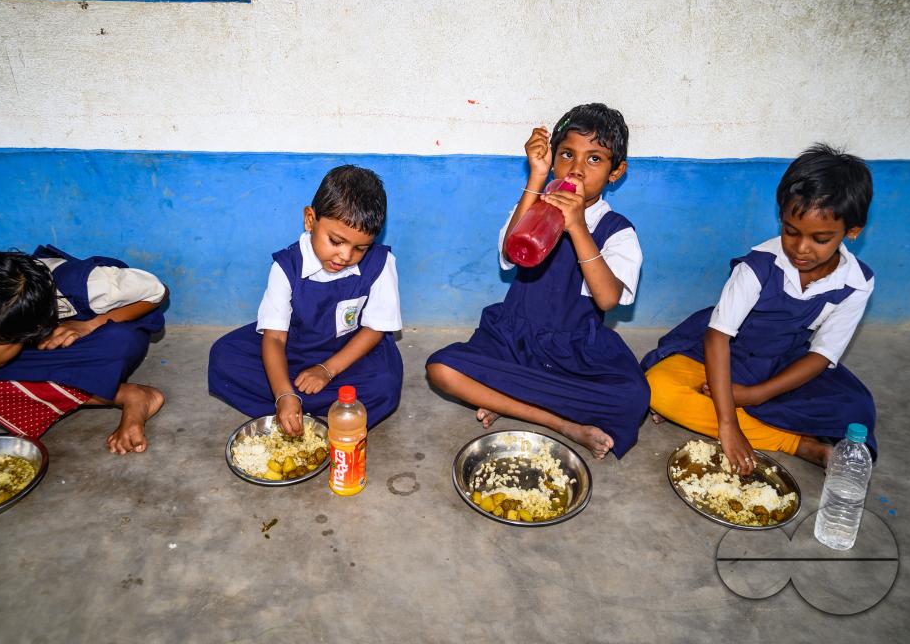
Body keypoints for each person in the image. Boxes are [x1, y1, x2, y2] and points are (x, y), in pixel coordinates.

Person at [426, 103, 649, 459]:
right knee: (441, 369)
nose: (576, 168)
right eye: (566, 155)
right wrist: (536, 177)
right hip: (514, 340)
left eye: (594, 159)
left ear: (615, 172)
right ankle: (562, 423)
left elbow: (607, 299)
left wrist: (577, 226)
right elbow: (511, 253)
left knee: (633, 398)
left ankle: (508, 397)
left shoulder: (617, 231)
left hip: (575, 353)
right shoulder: (535, 206)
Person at [642, 144, 876, 474]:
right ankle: (796, 443)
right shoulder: (757, 267)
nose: (801, 248)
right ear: (781, 218)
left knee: (858, 408)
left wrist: (754, 395)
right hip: (715, 354)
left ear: (851, 232)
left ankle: (724, 405)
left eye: (820, 238)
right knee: (656, 387)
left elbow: (822, 355)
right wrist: (727, 424)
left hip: (780, 363)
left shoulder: (857, 282)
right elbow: (717, 339)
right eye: (791, 232)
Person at [0, 246, 168, 454]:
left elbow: (157, 292)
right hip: (43, 350)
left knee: (117, 341)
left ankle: (101, 385)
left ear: (29, 331)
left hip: (97, 338)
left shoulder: (87, 285)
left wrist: (91, 324)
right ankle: (126, 395)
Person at [208, 165, 403, 435]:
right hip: (295, 346)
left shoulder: (380, 263)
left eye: (360, 248)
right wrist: (283, 394)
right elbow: (275, 338)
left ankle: (310, 406)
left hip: (351, 351)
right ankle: (299, 405)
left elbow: (375, 330)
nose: (346, 256)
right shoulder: (287, 266)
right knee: (224, 358)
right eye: (336, 241)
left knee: (385, 385)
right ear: (310, 220)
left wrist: (327, 370)